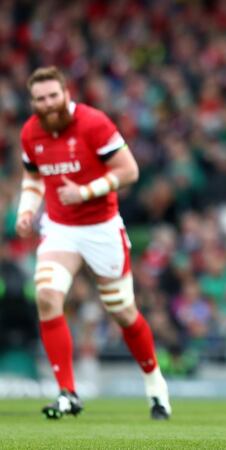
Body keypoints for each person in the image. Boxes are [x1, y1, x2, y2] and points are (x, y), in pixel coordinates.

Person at [15, 67, 171, 420]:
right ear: (33, 102)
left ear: (66, 93)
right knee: (46, 295)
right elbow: (33, 176)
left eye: (52, 95)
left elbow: (129, 171)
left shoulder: (93, 123)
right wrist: (27, 210)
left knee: (123, 313)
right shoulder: (31, 132)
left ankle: (155, 386)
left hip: (102, 228)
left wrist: (85, 191)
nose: (47, 103)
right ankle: (67, 393)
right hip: (60, 229)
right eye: (40, 98)